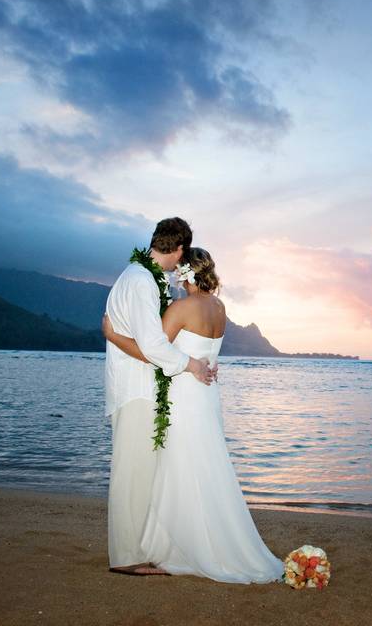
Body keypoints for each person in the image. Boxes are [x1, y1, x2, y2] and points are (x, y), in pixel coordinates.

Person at [102, 247, 285, 583]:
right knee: (206, 464)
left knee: (178, 467)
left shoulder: (181, 307)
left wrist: (113, 335)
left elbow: (152, 350)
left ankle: (179, 545)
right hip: (207, 394)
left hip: (185, 393)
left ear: (184, 273)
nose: (172, 276)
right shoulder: (219, 307)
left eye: (176, 272)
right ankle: (205, 539)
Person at [104, 217, 216, 576]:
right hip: (135, 389)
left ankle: (143, 547)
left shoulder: (145, 278)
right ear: (180, 248)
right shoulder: (141, 281)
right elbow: (153, 346)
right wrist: (191, 366)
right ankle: (126, 558)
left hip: (143, 388)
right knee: (132, 475)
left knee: (144, 474)